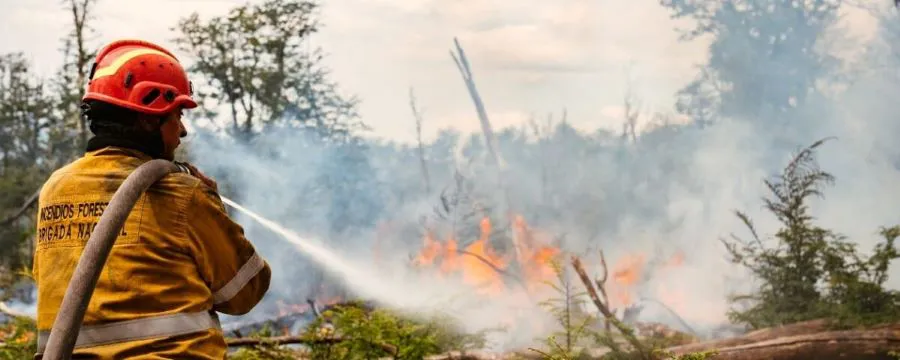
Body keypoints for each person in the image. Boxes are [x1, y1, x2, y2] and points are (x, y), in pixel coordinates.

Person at [32, 39, 271, 359]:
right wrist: (211, 201)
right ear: (148, 118)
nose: (182, 131)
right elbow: (245, 291)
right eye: (176, 115)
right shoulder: (182, 195)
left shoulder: (55, 189)